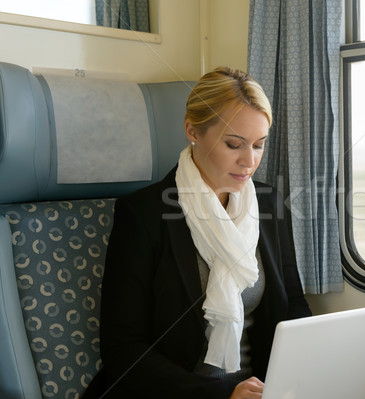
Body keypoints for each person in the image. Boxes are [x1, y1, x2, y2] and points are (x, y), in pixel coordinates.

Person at [83, 67, 312, 399]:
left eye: (259, 145)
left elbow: (292, 305)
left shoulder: (268, 204)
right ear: (193, 130)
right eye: (234, 144)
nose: (249, 160)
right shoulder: (144, 214)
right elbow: (123, 349)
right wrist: (222, 394)